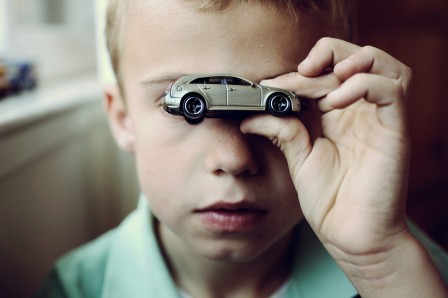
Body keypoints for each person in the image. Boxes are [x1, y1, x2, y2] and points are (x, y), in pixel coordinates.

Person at [36, 0, 448, 297]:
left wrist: (381, 269)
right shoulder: (74, 288)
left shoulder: (400, 267)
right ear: (123, 119)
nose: (234, 160)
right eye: (183, 111)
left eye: (287, 104)